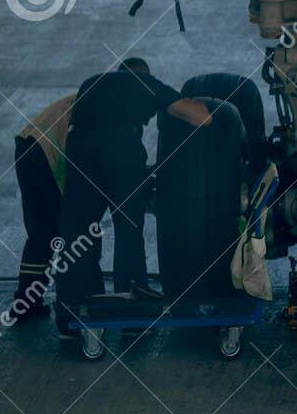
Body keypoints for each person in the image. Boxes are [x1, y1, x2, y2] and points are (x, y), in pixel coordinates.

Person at [54, 59, 213, 337]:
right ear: (144, 75)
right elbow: (201, 118)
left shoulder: (91, 83)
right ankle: (131, 314)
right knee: (128, 230)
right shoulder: (147, 84)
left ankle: (70, 313)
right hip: (120, 152)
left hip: (79, 152)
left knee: (77, 232)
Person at [11, 92, 75, 319]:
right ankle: (71, 301)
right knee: (68, 232)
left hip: (25, 146)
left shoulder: (86, 94)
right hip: (44, 155)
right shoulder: (104, 104)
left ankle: (25, 303)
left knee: (40, 234)